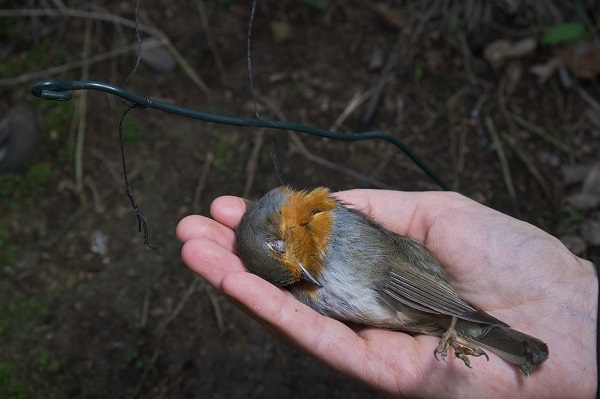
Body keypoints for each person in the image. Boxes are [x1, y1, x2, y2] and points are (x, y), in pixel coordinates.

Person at [176, 189, 597, 398]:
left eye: (281, 253)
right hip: (401, 309)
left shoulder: (326, 226)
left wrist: (462, 315)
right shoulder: (299, 273)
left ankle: (466, 330)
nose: (298, 272)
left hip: (407, 292)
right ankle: (464, 330)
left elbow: (396, 274)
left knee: (449, 318)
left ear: (281, 227)